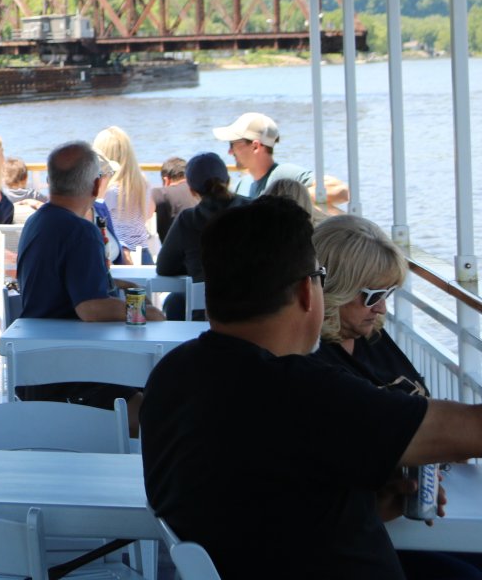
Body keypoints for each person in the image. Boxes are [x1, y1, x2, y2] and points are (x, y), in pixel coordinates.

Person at [141, 196, 482, 578]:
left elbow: (264, 501)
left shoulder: (172, 375)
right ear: (308, 291)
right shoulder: (308, 395)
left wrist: (371, 503)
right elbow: (472, 430)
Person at [309, 216, 481, 580]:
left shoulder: (370, 336)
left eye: (387, 294)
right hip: (365, 545)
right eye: (372, 296)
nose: (383, 308)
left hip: (414, 518)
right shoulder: (314, 368)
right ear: (334, 287)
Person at [15, 141, 160, 405]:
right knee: (158, 414)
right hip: (74, 370)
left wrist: (120, 284)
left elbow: (65, 282)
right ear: (95, 185)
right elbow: (90, 309)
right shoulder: (81, 231)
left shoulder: (37, 223)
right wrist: (146, 311)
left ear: (51, 181)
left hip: (35, 365)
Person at [155, 153, 247, 320]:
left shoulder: (188, 220)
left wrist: (192, 264)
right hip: (256, 313)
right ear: (228, 181)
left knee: (174, 301)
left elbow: (164, 267)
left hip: (207, 317)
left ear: (191, 189)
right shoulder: (256, 209)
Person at [213, 111, 312, 199]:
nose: (230, 152)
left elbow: (326, 187)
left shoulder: (284, 174)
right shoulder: (242, 184)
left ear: (255, 146)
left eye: (232, 144)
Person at [92, 127, 155, 264]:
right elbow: (149, 213)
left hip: (121, 256)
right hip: (143, 253)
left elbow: (95, 218)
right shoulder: (142, 181)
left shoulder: (109, 189)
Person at [149, 156, 196, 247]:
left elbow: (141, 218)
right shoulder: (202, 191)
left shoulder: (160, 193)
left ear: (166, 180)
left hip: (177, 256)